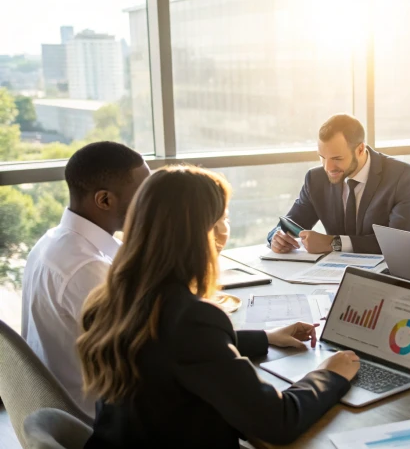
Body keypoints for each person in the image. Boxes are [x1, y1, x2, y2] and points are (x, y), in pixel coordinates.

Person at [77, 166, 360, 448]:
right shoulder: (191, 318)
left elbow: (166, 348)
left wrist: (265, 337)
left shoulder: (114, 298)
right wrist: (329, 374)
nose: (226, 228)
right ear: (203, 232)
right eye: (223, 218)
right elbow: (277, 422)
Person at [20, 141, 150, 416]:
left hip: (58, 408)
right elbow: (150, 348)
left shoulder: (52, 242)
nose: (150, 205)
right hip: (93, 419)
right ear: (104, 200)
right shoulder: (87, 268)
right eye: (143, 196)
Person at [268, 114, 410, 254]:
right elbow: (290, 224)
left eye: (337, 158)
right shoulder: (315, 179)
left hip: (383, 276)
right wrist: (276, 237)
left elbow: (402, 243)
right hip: (329, 276)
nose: (328, 168)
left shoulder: (403, 177)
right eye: (322, 157)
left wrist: (334, 243)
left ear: (360, 149)